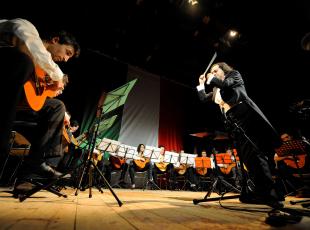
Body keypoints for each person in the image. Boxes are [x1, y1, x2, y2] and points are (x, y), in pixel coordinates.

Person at [0, 18, 80, 190]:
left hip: (21, 103)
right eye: (67, 52)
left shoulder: (43, 68)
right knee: (23, 61)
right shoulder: (26, 27)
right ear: (55, 40)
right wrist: (58, 76)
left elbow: (35, 94)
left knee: (57, 107)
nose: (65, 59)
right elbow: (32, 49)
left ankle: (33, 171)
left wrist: (50, 90)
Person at [196, 62, 284, 208]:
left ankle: (270, 193)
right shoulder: (217, 89)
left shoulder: (234, 76)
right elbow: (204, 98)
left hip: (245, 116)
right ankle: (251, 191)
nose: (213, 73)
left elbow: (226, 85)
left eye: (215, 70)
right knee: (243, 158)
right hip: (233, 122)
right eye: (211, 71)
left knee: (254, 153)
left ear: (223, 70)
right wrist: (201, 84)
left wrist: (211, 78)